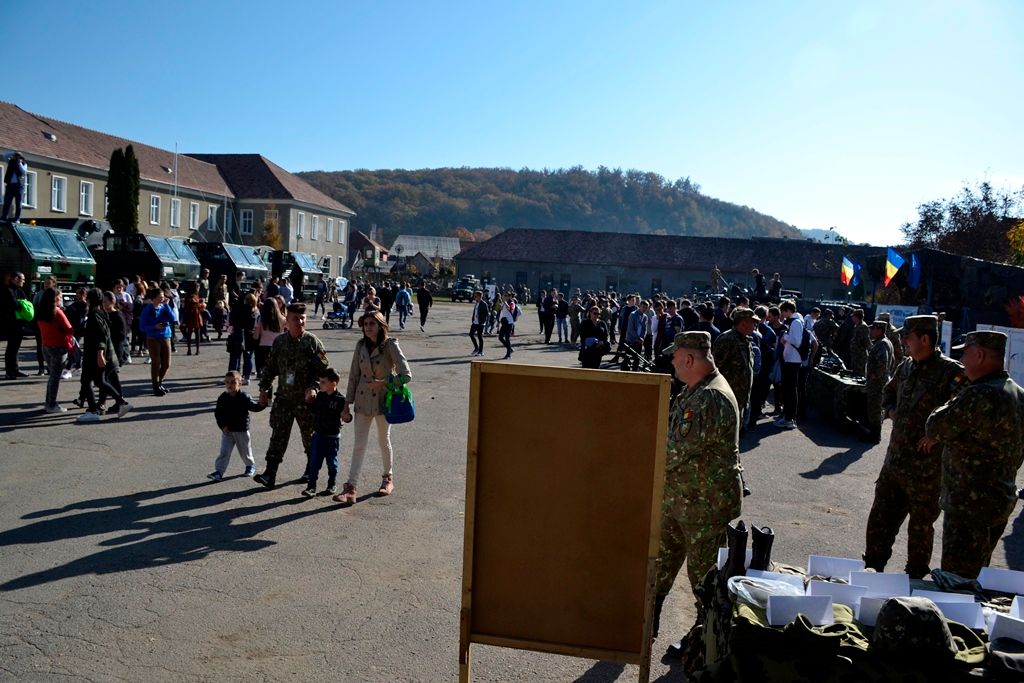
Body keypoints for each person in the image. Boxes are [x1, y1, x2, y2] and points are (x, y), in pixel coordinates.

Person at [653, 331, 742, 644]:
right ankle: (645, 626)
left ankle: (705, 641)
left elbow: (673, 451)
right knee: (660, 565)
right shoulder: (694, 391)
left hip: (704, 506)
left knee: (704, 579)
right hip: (681, 500)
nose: (673, 364)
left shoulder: (710, 398)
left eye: (675, 358)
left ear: (689, 359)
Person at [862, 315, 965, 579]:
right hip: (894, 464)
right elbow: (888, 391)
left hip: (926, 471)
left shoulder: (951, 373)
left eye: (907, 337)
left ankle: (914, 584)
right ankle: (872, 572)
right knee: (879, 522)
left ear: (925, 339)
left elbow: (961, 414)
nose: (902, 340)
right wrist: (891, 409)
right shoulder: (905, 367)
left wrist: (936, 434)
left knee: (920, 530)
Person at [922, 331, 1024, 579]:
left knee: (958, 582)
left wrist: (959, 392)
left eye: (965, 353)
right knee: (978, 574)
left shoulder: (978, 394)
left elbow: (934, 426)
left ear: (980, 355)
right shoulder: (1018, 393)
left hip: (969, 506)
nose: (962, 360)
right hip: (999, 498)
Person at [333, 311, 411, 504]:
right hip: (362, 401)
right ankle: (351, 488)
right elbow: (353, 376)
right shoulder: (360, 346)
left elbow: (406, 375)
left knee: (383, 440)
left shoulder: (390, 345)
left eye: (372, 324)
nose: (368, 327)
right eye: (365, 324)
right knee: (359, 445)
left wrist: (384, 383)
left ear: (381, 325)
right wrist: (346, 404)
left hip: (383, 402)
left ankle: (387, 478)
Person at [254, 303, 330, 489]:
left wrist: (314, 387)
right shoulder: (280, 342)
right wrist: (264, 389)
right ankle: (270, 473)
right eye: (295, 318)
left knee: (310, 438)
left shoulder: (313, 343)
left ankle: (310, 471)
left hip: (306, 402)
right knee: (278, 436)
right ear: (287, 320)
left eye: (303, 318)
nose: (300, 321)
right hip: (284, 399)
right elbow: (270, 368)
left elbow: (324, 372)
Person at [77, 288, 132, 423]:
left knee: (89, 381)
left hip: (95, 354)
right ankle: (121, 403)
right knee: (98, 381)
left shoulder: (95, 315)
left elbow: (101, 336)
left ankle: (93, 410)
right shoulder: (101, 313)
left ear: (88, 300)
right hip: (98, 354)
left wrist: (100, 353)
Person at [302, 367, 351, 498]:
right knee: (314, 463)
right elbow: (312, 410)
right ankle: (311, 487)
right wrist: (308, 400)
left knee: (332, 464)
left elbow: (347, 416)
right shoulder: (320, 397)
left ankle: (331, 484)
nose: (320, 384)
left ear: (333, 383)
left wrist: (347, 417)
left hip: (332, 437)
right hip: (318, 435)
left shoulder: (341, 399)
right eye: (320, 381)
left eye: (323, 382)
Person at [209, 370, 266, 481]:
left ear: (240, 383)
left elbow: (254, 407)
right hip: (228, 431)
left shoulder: (244, 396)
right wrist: (222, 425)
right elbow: (218, 413)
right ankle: (219, 472)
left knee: (245, 451)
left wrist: (262, 405)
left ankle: (250, 466)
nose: (230, 385)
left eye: (233, 382)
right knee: (224, 452)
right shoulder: (223, 397)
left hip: (241, 430)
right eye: (227, 382)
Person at [712, 307, 758, 421]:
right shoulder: (727, 339)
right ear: (743, 323)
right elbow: (713, 368)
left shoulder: (745, 340)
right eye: (753, 322)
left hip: (740, 399)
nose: (755, 326)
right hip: (726, 398)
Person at [36, 287, 74, 413]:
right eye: (60, 296)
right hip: (59, 347)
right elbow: (69, 328)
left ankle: (49, 403)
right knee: (55, 377)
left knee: (52, 376)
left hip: (46, 346)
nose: (61, 299)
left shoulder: (41, 311)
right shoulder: (57, 311)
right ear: (55, 298)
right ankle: (51, 404)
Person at [139, 287, 176, 396]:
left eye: (163, 297)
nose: (162, 299)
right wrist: (154, 326)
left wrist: (167, 306)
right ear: (153, 299)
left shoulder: (164, 307)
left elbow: (173, 318)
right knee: (156, 362)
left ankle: (160, 382)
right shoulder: (148, 309)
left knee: (166, 363)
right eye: (160, 297)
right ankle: (155, 385)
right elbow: (142, 326)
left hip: (166, 336)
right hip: (153, 338)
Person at [864, 320, 895, 443]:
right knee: (875, 408)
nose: (871, 331)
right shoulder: (882, 342)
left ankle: (875, 436)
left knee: (875, 408)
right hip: (879, 382)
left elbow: (884, 362)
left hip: (877, 384)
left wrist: (874, 375)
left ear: (880, 330)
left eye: (873, 329)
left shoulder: (882, 344)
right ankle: (873, 433)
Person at [774, 300, 802, 429]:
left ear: (788, 310)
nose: (782, 315)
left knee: (790, 390)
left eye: (783, 312)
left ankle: (790, 417)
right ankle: (787, 415)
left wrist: (785, 337)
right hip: (790, 359)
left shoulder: (795, 323)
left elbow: (797, 341)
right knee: (788, 389)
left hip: (793, 360)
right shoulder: (794, 322)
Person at [227, 294, 258, 384]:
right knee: (248, 358)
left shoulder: (238, 309)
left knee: (235, 357)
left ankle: (233, 377)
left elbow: (232, 321)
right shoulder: (255, 311)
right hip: (249, 335)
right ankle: (247, 377)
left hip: (238, 334)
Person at [3, 272, 28, 378]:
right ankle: (9, 372)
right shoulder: (8, 290)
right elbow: (16, 305)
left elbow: (26, 303)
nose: (24, 281)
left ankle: (15, 369)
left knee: (16, 348)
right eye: (22, 279)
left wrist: (22, 304)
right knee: (11, 348)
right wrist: (22, 304)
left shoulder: (19, 290)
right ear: (15, 279)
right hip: (11, 323)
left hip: (19, 323)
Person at [253, 298, 284, 379]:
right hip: (278, 346)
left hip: (263, 346)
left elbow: (256, 336)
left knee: (265, 371)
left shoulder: (260, 319)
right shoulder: (282, 319)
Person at [2, 152, 28, 221]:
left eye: (18, 157)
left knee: (19, 203)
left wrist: (19, 163)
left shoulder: (24, 164)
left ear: (21, 158)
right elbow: (5, 155)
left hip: (19, 186)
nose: (17, 158)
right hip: (10, 185)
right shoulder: (11, 162)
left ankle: (17, 219)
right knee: (7, 202)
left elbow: (23, 171)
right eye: (16, 156)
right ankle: (4, 217)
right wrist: (13, 153)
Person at [181, 283, 205, 356]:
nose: (198, 289)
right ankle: (190, 350)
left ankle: (196, 350)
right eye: (198, 287)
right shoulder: (190, 296)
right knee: (191, 333)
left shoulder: (194, 296)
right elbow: (189, 306)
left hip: (195, 315)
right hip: (192, 315)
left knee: (196, 333)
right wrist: (200, 304)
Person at [497, 293, 521, 359]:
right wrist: (498, 322)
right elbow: (502, 313)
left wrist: (505, 302)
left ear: (509, 297)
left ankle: (509, 354)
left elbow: (510, 309)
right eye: (504, 296)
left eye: (506, 296)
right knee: (500, 337)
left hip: (509, 323)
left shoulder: (511, 303)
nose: (504, 297)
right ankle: (509, 348)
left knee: (507, 338)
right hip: (504, 322)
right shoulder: (503, 303)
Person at [848, 309, 870, 376]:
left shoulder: (863, 327)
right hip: (855, 354)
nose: (852, 318)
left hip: (860, 356)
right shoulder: (856, 326)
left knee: (860, 374)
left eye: (853, 316)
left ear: (857, 317)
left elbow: (866, 342)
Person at [469, 290, 488, 357]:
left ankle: (481, 351)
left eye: (476, 296)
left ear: (479, 296)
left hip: (480, 323)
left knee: (480, 337)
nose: (475, 297)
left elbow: (486, 314)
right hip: (475, 322)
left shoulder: (484, 304)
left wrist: (482, 320)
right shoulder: (476, 303)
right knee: (471, 334)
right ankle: (476, 348)